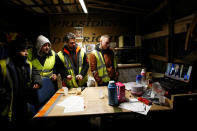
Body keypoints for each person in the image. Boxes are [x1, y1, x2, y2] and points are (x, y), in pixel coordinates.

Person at [0, 36, 42, 129]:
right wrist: (7, 96)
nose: (26, 53)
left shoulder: (27, 64)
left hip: (24, 103)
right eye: (23, 51)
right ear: (15, 51)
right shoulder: (3, 65)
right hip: (10, 106)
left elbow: (35, 73)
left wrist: (37, 82)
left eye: (26, 50)